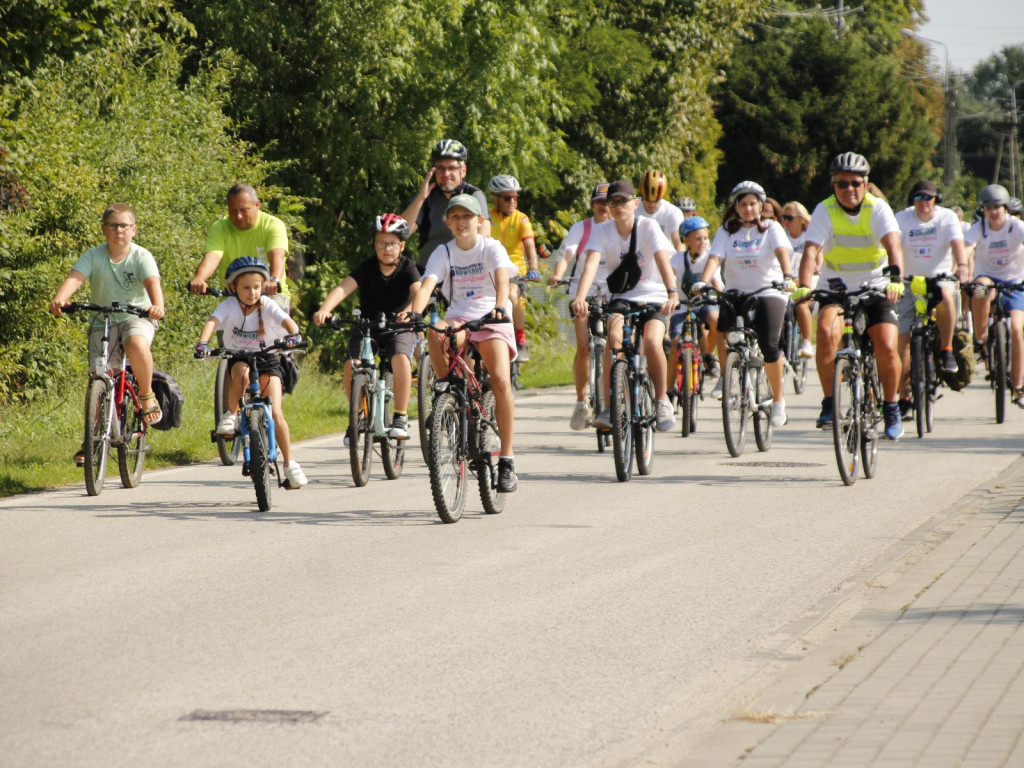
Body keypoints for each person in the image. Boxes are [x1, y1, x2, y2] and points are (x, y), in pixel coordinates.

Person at [405, 194, 519, 492]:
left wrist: (500, 305)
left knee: (500, 380)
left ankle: (507, 459)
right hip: (459, 317)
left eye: (467, 216)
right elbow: (427, 284)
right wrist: (415, 313)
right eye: (454, 217)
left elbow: (503, 280)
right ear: (447, 222)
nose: (461, 222)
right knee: (436, 332)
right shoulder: (444, 252)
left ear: (479, 220)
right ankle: (448, 392)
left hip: (491, 317)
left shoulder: (491, 247)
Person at [792, 152, 906, 439]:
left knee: (886, 345)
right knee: (825, 330)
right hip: (837, 286)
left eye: (855, 183)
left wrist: (896, 281)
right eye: (842, 183)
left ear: (866, 184)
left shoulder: (877, 208)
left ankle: (891, 406)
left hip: (876, 285)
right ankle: (830, 402)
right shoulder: (824, 210)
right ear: (833, 185)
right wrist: (804, 285)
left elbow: (893, 246)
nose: (849, 189)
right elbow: (811, 251)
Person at [49, 203, 166, 464]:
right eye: (113, 226)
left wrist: (157, 306)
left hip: (137, 317)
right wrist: (60, 299)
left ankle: (147, 395)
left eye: (124, 226)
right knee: (97, 378)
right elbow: (75, 278)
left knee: (136, 344)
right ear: (104, 229)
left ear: (134, 230)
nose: (118, 231)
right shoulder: (93, 255)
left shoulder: (141, 256)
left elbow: (152, 283)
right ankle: (91, 440)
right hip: (102, 320)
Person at [571, 180, 679, 433]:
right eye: (613, 202)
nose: (618, 206)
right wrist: (580, 297)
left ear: (635, 204)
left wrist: (672, 293)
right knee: (614, 341)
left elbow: (662, 260)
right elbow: (591, 264)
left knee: (651, 341)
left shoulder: (648, 226)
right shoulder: (603, 231)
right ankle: (610, 408)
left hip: (654, 295)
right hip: (621, 296)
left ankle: (662, 400)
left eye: (623, 201)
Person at [194, 257, 308, 487]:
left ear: (262, 287)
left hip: (268, 358)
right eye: (246, 287)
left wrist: (294, 335)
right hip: (240, 357)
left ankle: (290, 464)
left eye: (256, 287)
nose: (252, 292)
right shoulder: (229, 305)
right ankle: (231, 415)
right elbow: (212, 322)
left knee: (276, 413)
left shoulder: (268, 304)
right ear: (233, 287)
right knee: (242, 374)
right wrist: (203, 344)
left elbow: (287, 322)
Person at [693, 181, 794, 427]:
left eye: (752, 204)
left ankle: (778, 401)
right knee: (726, 333)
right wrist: (703, 281)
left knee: (769, 346)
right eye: (743, 204)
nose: (748, 208)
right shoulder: (727, 230)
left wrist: (788, 276)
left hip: (769, 291)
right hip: (736, 292)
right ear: (736, 207)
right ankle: (728, 376)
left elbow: (782, 252)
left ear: (760, 205)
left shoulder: (771, 228)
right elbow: (715, 257)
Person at [312, 214, 422, 439]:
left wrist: (410, 311)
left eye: (391, 244)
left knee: (400, 357)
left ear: (402, 246)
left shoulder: (408, 267)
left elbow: (420, 294)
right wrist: (325, 309)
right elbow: (343, 288)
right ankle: (358, 416)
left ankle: (400, 416)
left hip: (398, 326)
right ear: (374, 245)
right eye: (381, 243)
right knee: (351, 364)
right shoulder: (367, 267)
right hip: (368, 327)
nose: (386, 249)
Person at [894, 180, 969, 412]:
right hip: (909, 282)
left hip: (939, 277)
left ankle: (946, 350)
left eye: (928, 197)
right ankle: (904, 396)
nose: (923, 202)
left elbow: (957, 244)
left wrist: (962, 265)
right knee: (902, 340)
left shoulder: (947, 217)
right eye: (919, 197)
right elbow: (892, 246)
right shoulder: (902, 218)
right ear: (913, 200)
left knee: (946, 294)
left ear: (936, 199)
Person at [549, 182, 612, 429]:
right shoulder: (582, 228)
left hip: (611, 291)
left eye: (607, 202)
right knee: (584, 345)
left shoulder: (618, 228)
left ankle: (615, 394)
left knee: (615, 344)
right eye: (598, 202)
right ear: (592, 204)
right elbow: (567, 253)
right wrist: (558, 274)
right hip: (582, 290)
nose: (603, 206)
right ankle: (581, 402)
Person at [965, 184, 1024, 405]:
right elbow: (967, 247)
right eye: (988, 208)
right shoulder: (978, 228)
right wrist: (963, 266)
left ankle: (1018, 387)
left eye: (997, 207)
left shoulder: (1015, 226)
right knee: (980, 289)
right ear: (983, 209)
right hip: (987, 277)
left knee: (1017, 329)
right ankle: (980, 339)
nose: (993, 212)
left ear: (1005, 208)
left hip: (1015, 282)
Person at [189, 184, 291, 309]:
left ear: (257, 205)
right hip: (234, 298)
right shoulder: (220, 228)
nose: (238, 216)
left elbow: (277, 257)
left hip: (270, 295)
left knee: (271, 312)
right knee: (220, 317)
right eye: (233, 211)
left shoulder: (272, 225)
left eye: (244, 210)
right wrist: (199, 279)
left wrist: (274, 280)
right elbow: (211, 258)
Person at [401, 139, 491, 269]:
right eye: (440, 168)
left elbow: (485, 235)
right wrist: (420, 198)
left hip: (465, 271)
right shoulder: (426, 195)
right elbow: (401, 233)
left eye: (452, 168)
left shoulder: (474, 195)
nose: (446, 174)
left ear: (463, 171)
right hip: (429, 271)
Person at [667, 216, 721, 397]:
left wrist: (721, 295)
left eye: (705, 238)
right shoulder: (677, 259)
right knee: (675, 343)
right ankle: (669, 390)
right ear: (686, 240)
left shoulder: (710, 258)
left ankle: (708, 356)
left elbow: (716, 281)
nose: (703, 242)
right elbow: (668, 276)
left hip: (705, 303)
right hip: (683, 306)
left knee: (715, 320)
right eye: (697, 239)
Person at [487, 174, 538, 360]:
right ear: (495, 198)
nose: (512, 202)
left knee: (512, 295)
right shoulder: (487, 217)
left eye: (515, 197)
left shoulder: (521, 219)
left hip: (515, 271)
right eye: (508, 198)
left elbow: (530, 246)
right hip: (490, 271)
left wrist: (534, 268)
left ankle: (520, 339)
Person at [781, 201, 816, 358]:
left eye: (790, 217)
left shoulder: (810, 236)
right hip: (787, 279)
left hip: (808, 278)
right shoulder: (781, 235)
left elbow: (818, 258)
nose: (786, 221)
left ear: (801, 219)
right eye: (784, 217)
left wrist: (806, 277)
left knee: (801, 303)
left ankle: (806, 342)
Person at [638, 169, 685, 251]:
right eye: (647, 200)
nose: (651, 204)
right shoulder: (632, 208)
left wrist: (681, 257)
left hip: (665, 255)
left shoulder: (673, 213)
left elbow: (678, 244)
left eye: (656, 201)